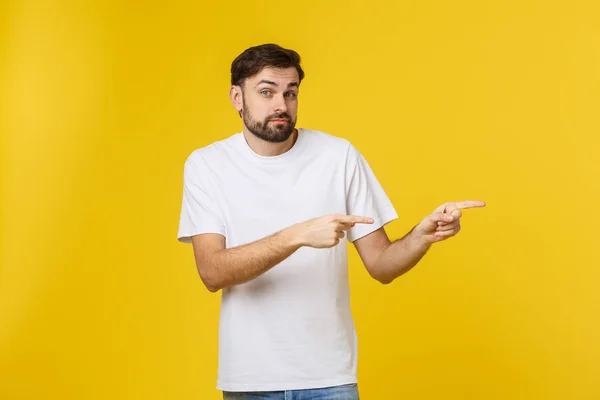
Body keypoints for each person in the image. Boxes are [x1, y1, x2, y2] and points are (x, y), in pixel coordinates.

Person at [177, 43, 485, 400]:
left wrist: (422, 235)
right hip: (252, 381)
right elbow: (212, 272)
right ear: (236, 97)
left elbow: (382, 266)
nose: (281, 105)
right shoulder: (207, 165)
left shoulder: (338, 156)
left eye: (290, 93)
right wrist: (298, 235)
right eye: (266, 92)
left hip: (330, 379)